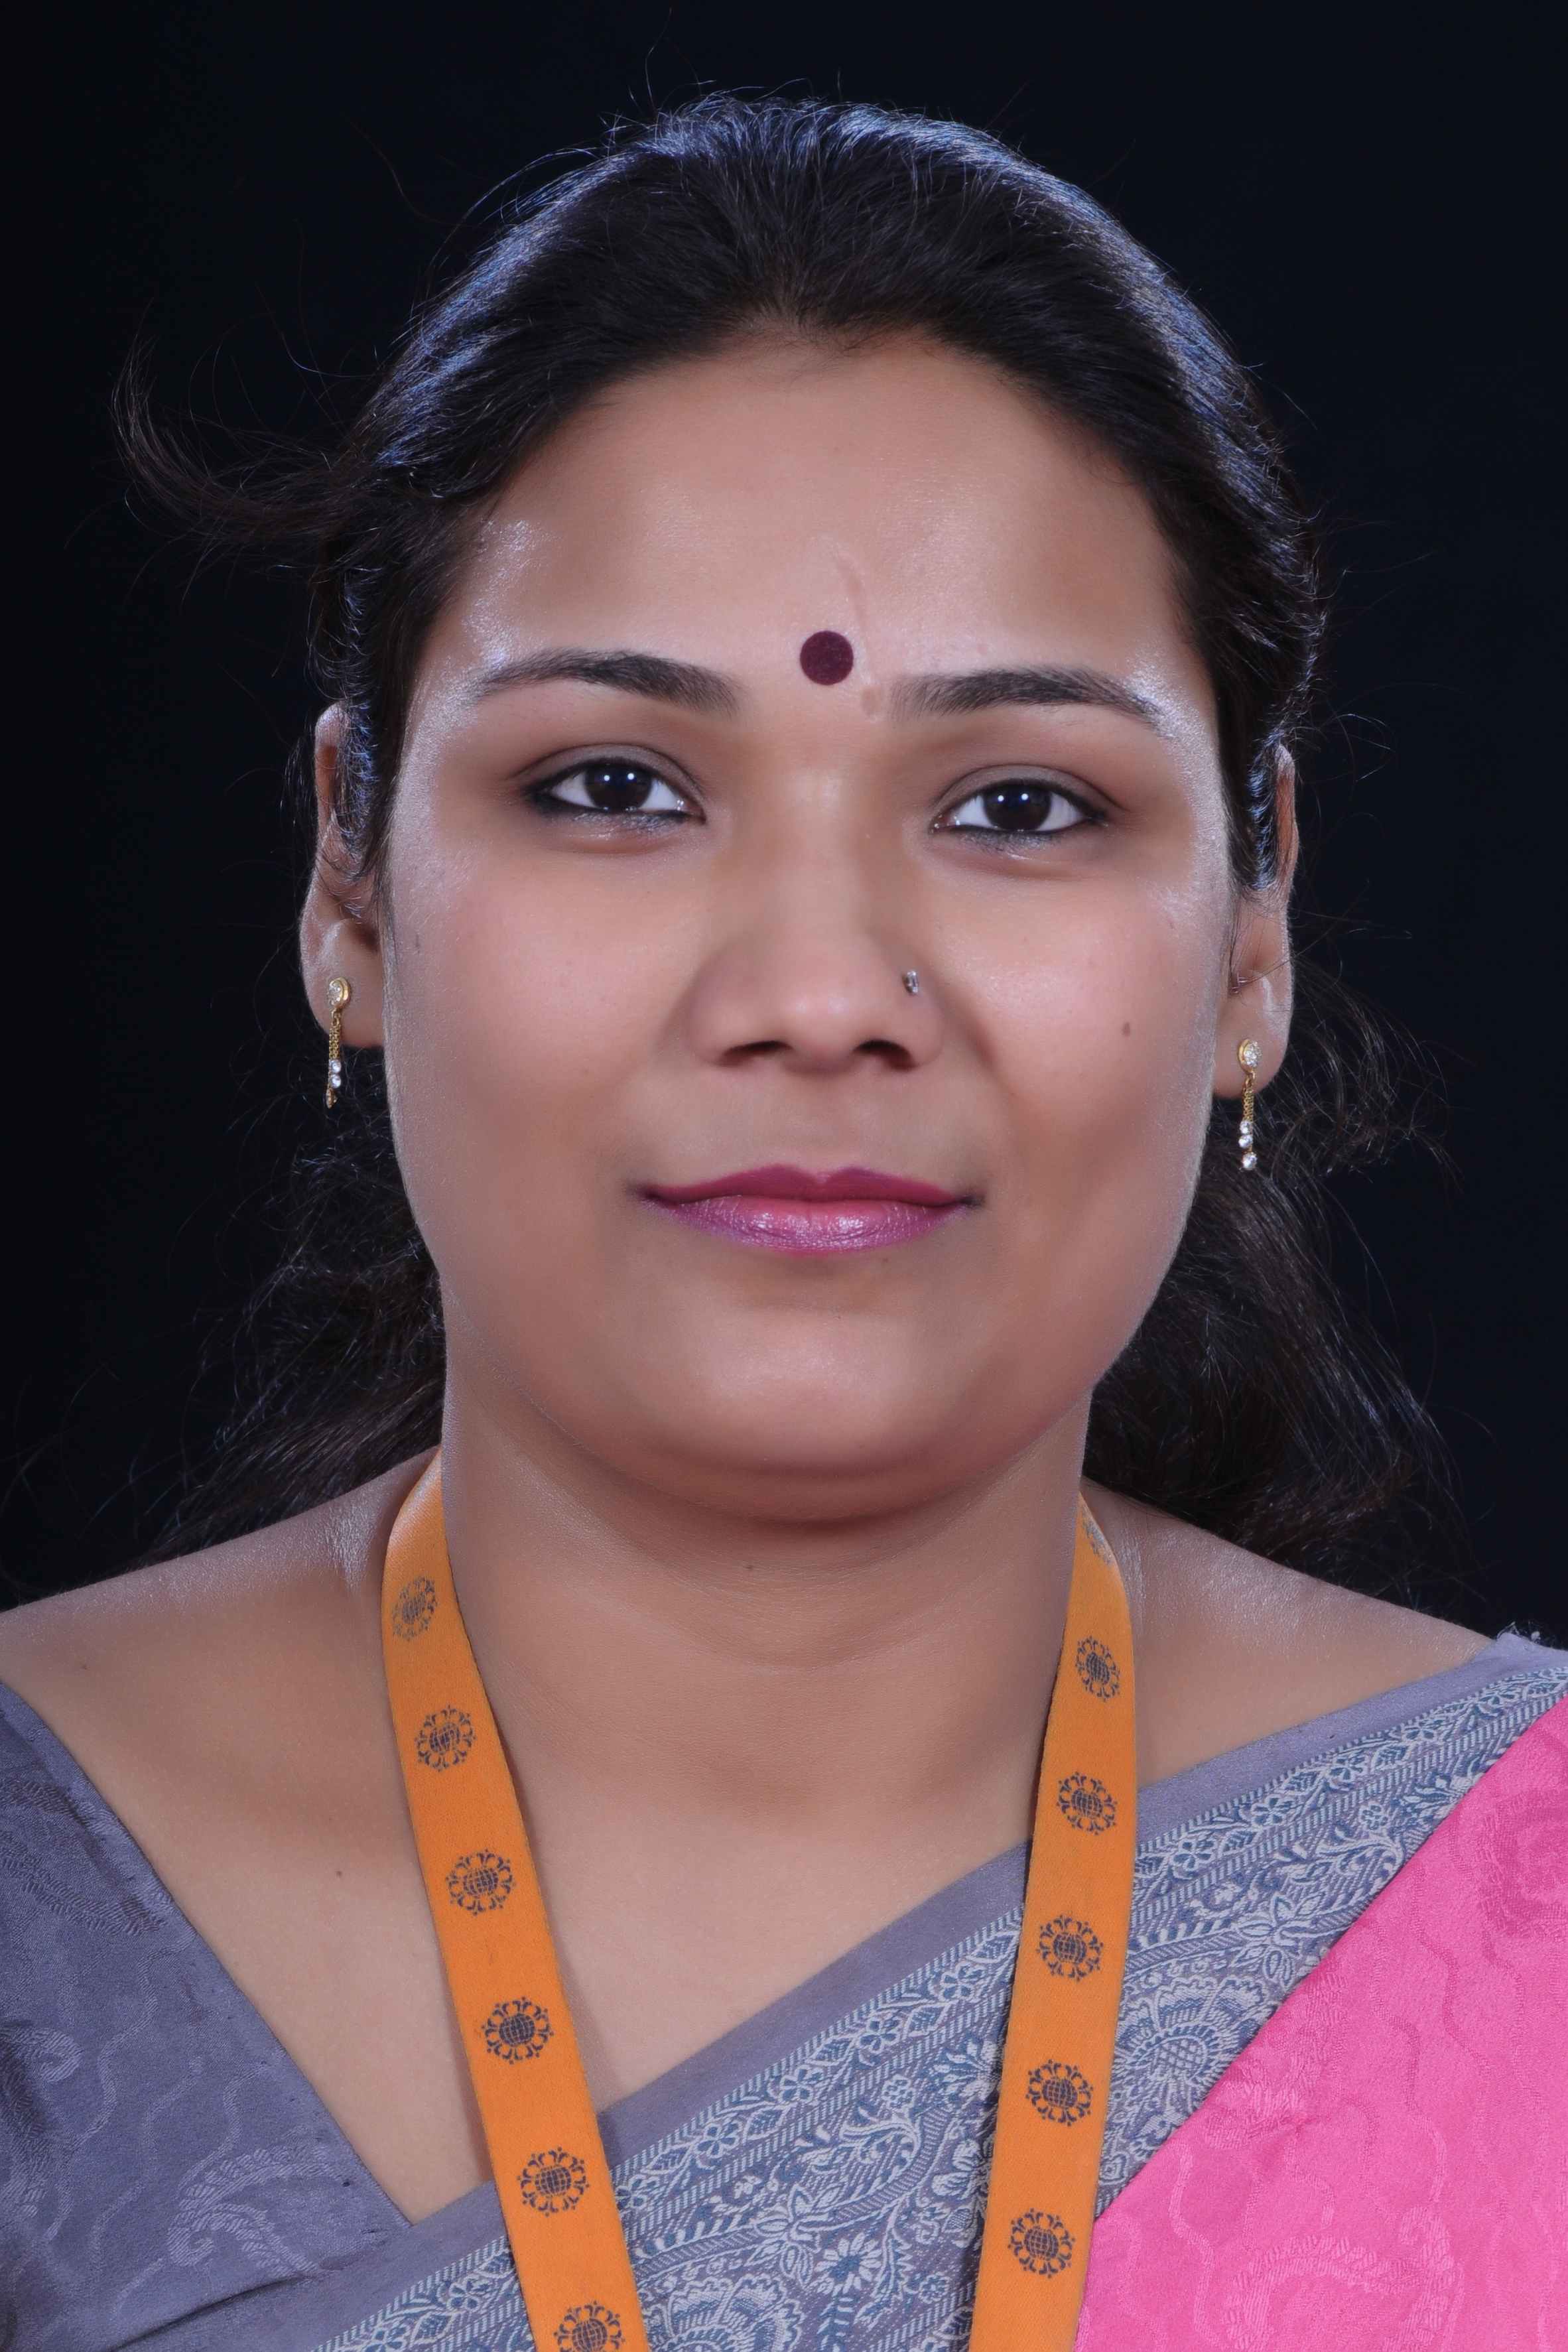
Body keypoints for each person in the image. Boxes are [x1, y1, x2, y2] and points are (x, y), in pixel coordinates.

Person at [1, 99, 1562, 2352]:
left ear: (1251, 936)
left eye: (1016, 805)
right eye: (614, 787)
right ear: (350, 886)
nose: (821, 994)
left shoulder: (1513, 1910)